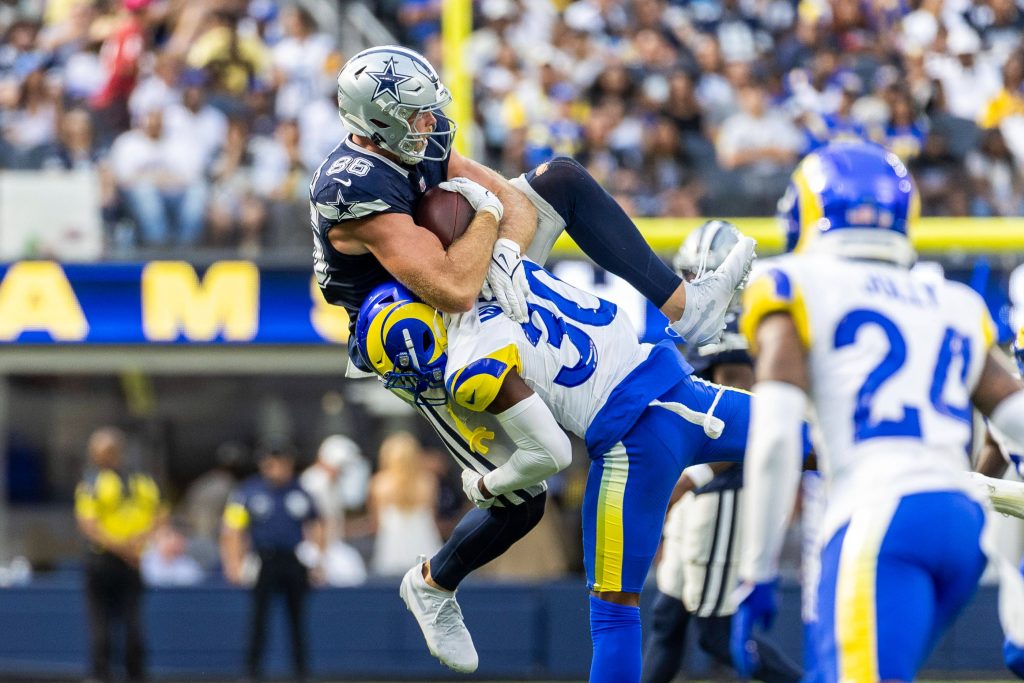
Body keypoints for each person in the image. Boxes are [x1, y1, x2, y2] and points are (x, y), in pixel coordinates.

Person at [356, 257, 758, 683]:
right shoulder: (497, 265)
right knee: (811, 437)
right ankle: (688, 300)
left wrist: (485, 483)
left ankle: (435, 582)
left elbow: (553, 455)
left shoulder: (467, 367)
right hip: (676, 388)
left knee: (614, 616)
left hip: (630, 440)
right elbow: (545, 203)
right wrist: (490, 210)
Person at [729, 140, 1024, 683]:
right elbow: (1015, 416)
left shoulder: (793, 283)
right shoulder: (953, 302)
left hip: (881, 518)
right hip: (960, 525)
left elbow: (776, 437)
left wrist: (755, 571)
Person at [314, 45, 756, 371]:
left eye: (428, 110)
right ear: (375, 122)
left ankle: (688, 308)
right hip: (411, 332)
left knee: (561, 178)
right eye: (415, 114)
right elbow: (454, 288)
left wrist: (505, 252)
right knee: (523, 496)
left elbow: (511, 200)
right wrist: (486, 217)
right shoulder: (352, 186)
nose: (429, 122)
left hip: (469, 278)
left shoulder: (420, 141)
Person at [642, 221, 801, 683]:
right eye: (691, 275)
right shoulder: (708, 327)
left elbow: (748, 419)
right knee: (668, 618)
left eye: (705, 274)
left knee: (716, 633)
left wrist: (691, 477)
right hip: (703, 481)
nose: (695, 287)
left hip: (727, 483)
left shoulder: (758, 327)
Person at [221, 441, 325, 682]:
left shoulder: (301, 491)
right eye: (272, 462)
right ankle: (251, 671)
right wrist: (234, 563)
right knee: (258, 618)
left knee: (297, 619)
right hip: (264, 560)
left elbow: (317, 523)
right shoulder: (248, 491)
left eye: (282, 462)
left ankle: (301, 672)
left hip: (293, 560)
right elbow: (233, 530)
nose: (277, 467)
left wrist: (317, 559)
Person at [75, 426, 162, 683]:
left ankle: (133, 674)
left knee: (131, 622)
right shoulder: (93, 482)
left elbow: (159, 515)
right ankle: (102, 674)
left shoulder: (139, 481)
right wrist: (129, 547)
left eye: (105, 451)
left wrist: (134, 544)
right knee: (102, 623)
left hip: (127, 559)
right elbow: (89, 525)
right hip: (108, 560)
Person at [367, 431, 443, 576]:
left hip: (392, 548)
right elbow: (433, 517)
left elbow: (375, 524)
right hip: (425, 545)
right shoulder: (428, 482)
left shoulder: (379, 484)